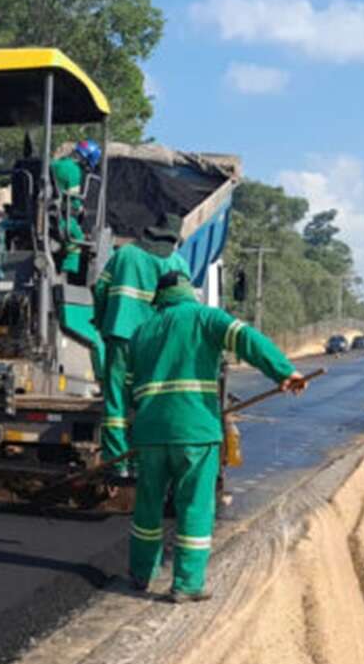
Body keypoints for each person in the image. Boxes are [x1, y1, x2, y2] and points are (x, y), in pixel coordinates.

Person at [126, 271, 307, 601]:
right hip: (195, 432)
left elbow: (127, 385)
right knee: (194, 505)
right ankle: (187, 583)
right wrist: (283, 370)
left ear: (160, 297)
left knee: (147, 506)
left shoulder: (141, 332)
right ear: (188, 292)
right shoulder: (205, 317)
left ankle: (141, 572)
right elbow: (246, 339)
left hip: (150, 434)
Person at [92, 236, 192, 482]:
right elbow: (183, 307)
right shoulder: (177, 262)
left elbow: (100, 289)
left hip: (120, 333)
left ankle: (118, 463)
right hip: (153, 340)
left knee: (116, 400)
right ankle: (140, 461)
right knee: (145, 399)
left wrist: (102, 321)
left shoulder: (124, 254)